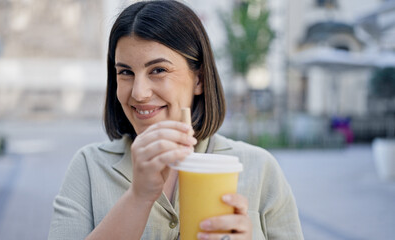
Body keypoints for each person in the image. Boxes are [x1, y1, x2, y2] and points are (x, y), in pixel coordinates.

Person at [48, 0, 303, 239]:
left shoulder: (260, 169)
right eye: (125, 72)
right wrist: (138, 198)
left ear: (199, 79)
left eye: (158, 70)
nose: (138, 92)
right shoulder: (90, 167)